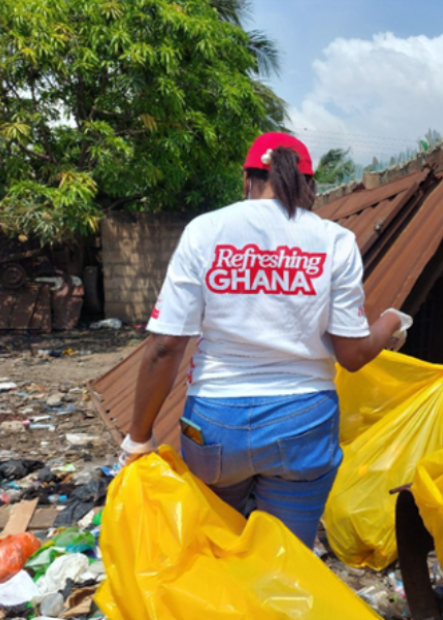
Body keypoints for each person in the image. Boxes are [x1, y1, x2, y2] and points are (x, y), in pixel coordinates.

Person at [117, 132, 411, 548]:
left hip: (215, 425)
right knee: (286, 559)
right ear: (309, 186)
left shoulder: (206, 230)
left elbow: (165, 346)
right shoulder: (334, 240)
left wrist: (139, 438)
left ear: (246, 179)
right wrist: (391, 322)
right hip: (304, 421)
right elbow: (354, 354)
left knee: (215, 547)